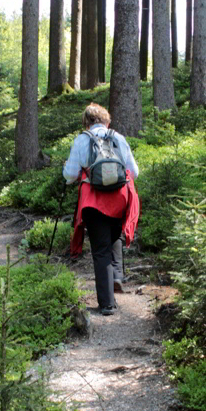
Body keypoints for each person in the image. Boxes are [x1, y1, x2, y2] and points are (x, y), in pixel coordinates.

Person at [63, 103, 140, 316]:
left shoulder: (82, 140)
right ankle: (116, 276)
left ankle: (107, 304)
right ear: (107, 120)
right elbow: (133, 172)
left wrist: (73, 172)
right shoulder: (119, 138)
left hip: (93, 201)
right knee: (115, 236)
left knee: (100, 249)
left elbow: (69, 176)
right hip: (120, 198)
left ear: (87, 122)